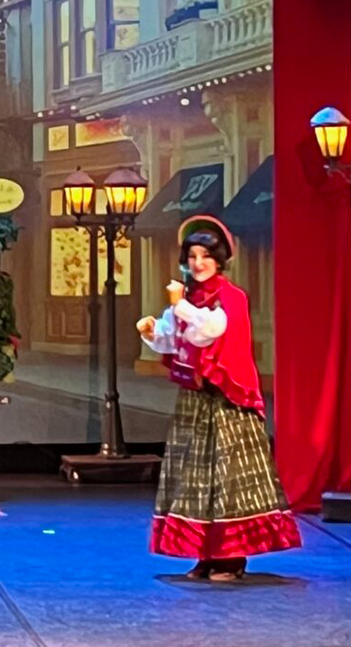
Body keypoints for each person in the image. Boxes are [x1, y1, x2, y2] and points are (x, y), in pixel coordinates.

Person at [138, 216, 300, 581]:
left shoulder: (230, 297)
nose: (198, 263)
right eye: (192, 256)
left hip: (228, 400)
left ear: (219, 259)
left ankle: (232, 557)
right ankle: (206, 554)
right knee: (197, 477)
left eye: (205, 256)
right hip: (197, 399)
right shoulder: (188, 298)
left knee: (230, 476)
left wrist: (179, 307)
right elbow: (175, 339)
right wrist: (154, 332)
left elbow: (209, 332)